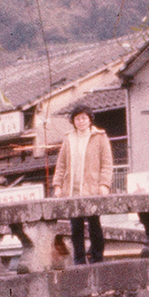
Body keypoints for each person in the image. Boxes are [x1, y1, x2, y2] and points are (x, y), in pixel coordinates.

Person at [52, 106, 113, 263]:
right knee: (76, 227)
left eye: (84, 118)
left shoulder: (100, 137)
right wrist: (58, 185)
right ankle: (79, 260)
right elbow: (61, 165)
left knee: (94, 224)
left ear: (90, 119)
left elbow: (107, 163)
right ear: (73, 121)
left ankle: (97, 258)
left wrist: (104, 184)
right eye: (77, 119)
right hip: (73, 189)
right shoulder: (69, 138)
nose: (81, 121)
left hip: (92, 188)